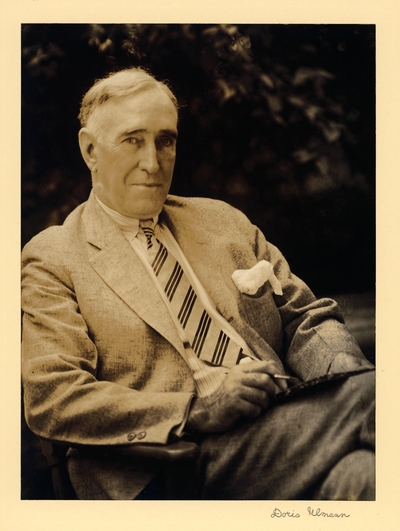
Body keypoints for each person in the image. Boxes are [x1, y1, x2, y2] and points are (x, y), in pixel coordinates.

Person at [21, 67, 375, 500]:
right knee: (376, 395)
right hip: (174, 460)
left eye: (165, 141)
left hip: (288, 422)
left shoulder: (220, 221)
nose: (152, 163)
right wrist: (195, 411)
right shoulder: (54, 256)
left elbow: (305, 317)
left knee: (365, 477)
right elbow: (53, 397)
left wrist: (339, 374)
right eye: (132, 140)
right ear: (90, 150)